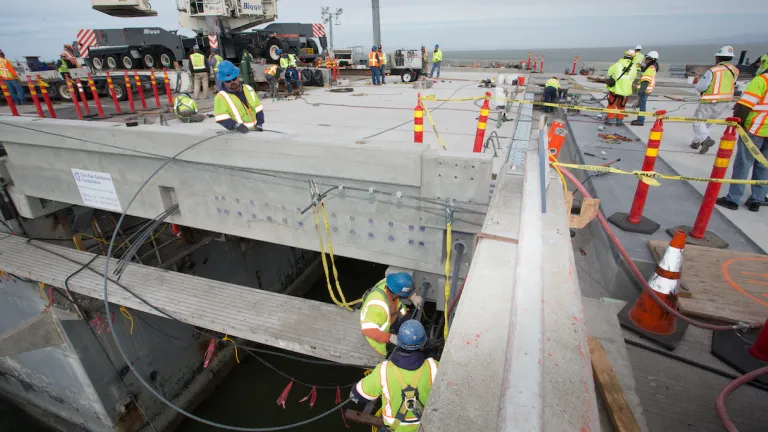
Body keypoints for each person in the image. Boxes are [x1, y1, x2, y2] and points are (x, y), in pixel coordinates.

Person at [351, 319, 437, 432]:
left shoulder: (384, 370)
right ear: (422, 346)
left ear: (398, 342)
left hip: (395, 429)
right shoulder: (433, 367)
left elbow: (359, 394)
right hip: (424, 427)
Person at [715, 71, 768, 212]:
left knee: (743, 163)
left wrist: (738, 121)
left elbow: (745, 106)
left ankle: (733, 199)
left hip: (755, 128)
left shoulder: (762, 80)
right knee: (764, 165)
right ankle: (757, 199)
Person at [360, 272, 424, 356]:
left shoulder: (389, 282)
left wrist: (412, 296)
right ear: (397, 293)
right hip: (380, 335)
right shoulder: (377, 306)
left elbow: (400, 289)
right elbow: (367, 331)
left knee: (412, 322)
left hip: (394, 316)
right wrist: (391, 338)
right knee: (406, 349)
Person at [690, 46, 739, 154]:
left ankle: (705, 139)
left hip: (710, 100)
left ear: (718, 58)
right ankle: (696, 142)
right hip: (725, 101)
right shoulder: (735, 71)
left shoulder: (713, 70)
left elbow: (700, 86)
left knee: (698, 121)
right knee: (710, 123)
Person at [213, 60, 264, 132]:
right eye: (228, 81)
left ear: (237, 76)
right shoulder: (220, 97)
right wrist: (236, 125)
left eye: (234, 79)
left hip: (255, 130)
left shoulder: (248, 89)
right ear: (223, 81)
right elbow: (221, 118)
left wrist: (259, 123)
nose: (232, 82)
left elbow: (258, 108)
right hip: (238, 134)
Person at [604, 50, 638, 126]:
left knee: (611, 105)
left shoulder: (617, 65)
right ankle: (619, 121)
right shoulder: (634, 67)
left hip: (615, 89)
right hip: (625, 91)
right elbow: (633, 77)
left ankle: (610, 120)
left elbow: (609, 73)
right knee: (621, 106)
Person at [631, 51, 659, 126]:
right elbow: (646, 72)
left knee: (642, 105)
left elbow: (645, 81)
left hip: (645, 90)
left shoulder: (650, 68)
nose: (645, 60)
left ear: (650, 59)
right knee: (641, 105)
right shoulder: (652, 67)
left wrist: (640, 91)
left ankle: (641, 120)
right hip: (646, 90)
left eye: (646, 58)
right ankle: (640, 119)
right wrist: (642, 67)